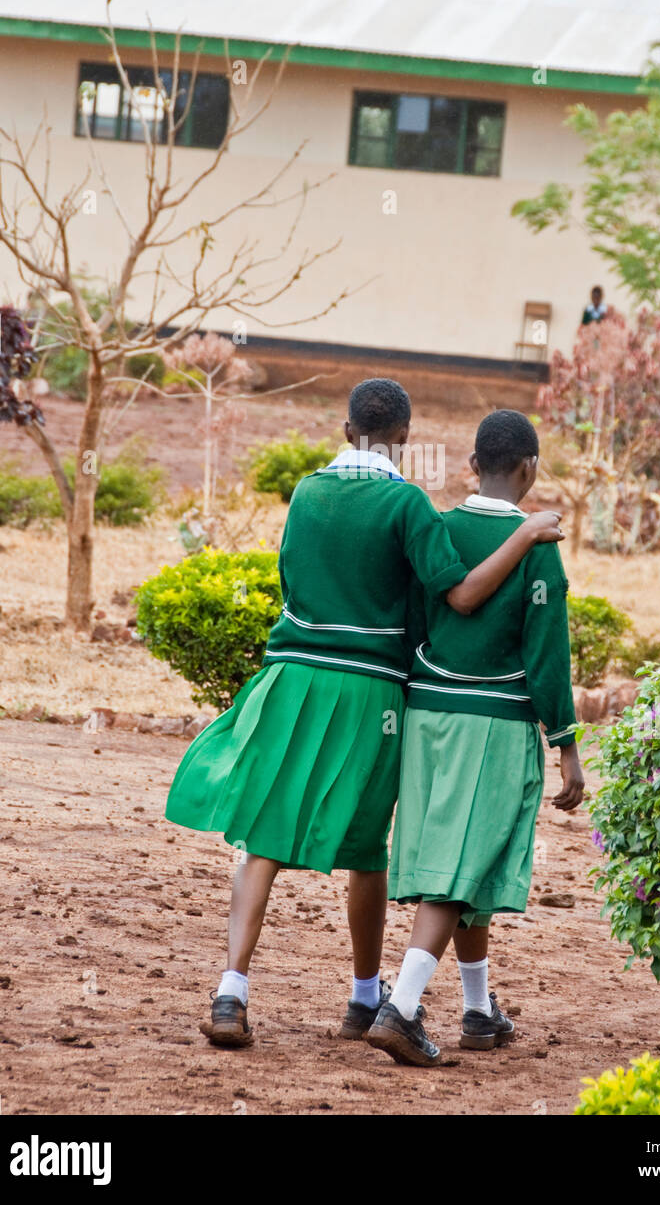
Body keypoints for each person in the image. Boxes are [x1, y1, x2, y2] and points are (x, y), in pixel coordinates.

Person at [164, 379, 564, 1048]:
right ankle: (361, 1000)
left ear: (346, 429)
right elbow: (457, 596)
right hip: (373, 693)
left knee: (262, 839)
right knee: (367, 851)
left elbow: (291, 580)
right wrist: (523, 536)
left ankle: (231, 992)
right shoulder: (407, 505)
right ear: (404, 438)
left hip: (289, 680)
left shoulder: (307, 493)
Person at [366, 409, 584, 1067]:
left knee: (468, 857)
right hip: (491, 722)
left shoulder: (435, 526)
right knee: (459, 870)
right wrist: (566, 746)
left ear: (470, 465)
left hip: (426, 714)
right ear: (529, 469)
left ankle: (476, 1010)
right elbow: (546, 659)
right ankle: (400, 1008)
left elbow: (410, 621)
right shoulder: (536, 547)